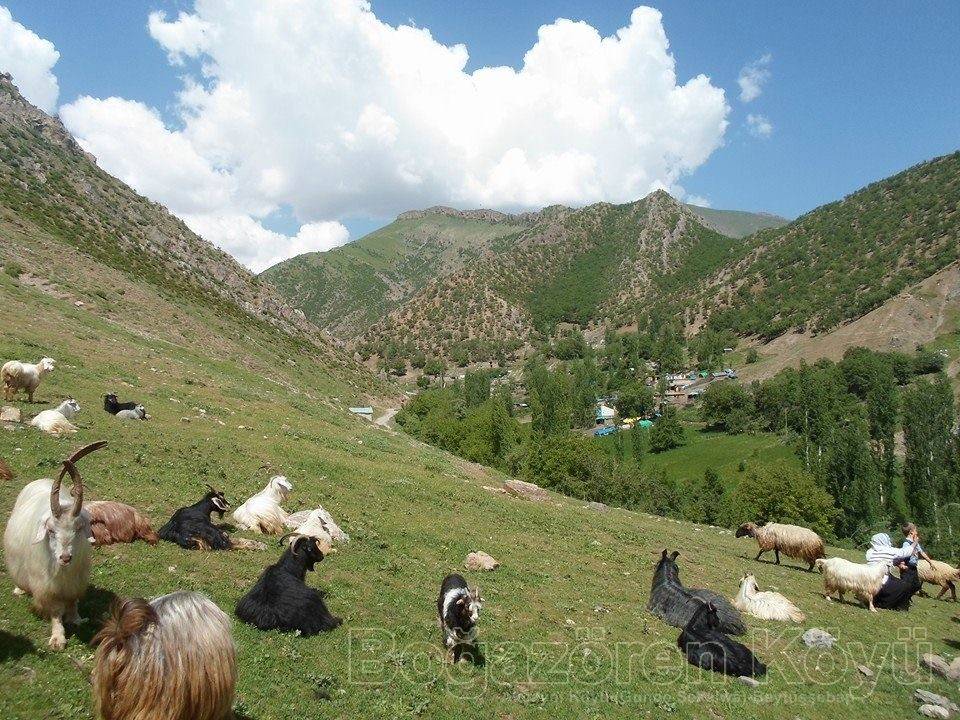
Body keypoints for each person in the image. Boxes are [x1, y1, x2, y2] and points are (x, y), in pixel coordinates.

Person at [865, 532, 922, 611]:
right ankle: (891, 604)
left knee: (894, 579)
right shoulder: (887, 550)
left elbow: (885, 561)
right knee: (906, 585)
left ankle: (874, 599)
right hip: (880, 580)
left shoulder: (871, 552)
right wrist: (915, 542)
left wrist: (897, 563)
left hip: (869, 580)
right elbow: (905, 552)